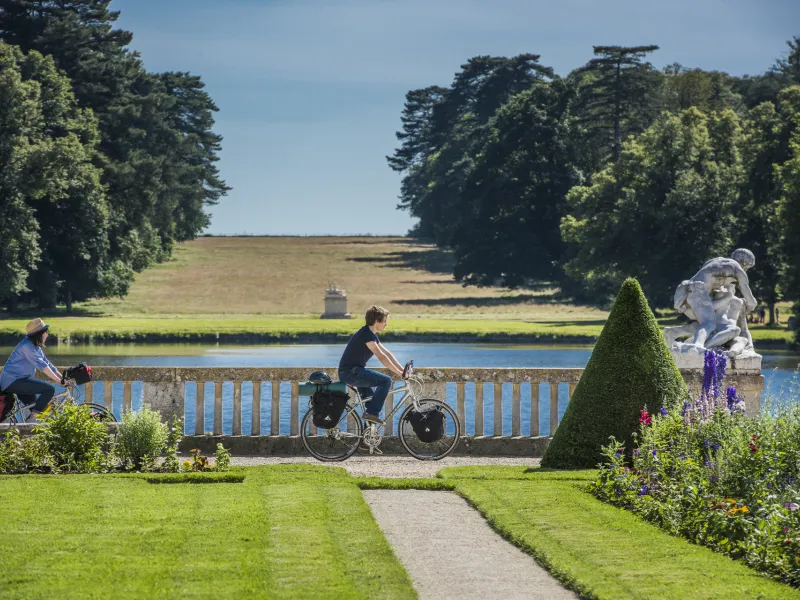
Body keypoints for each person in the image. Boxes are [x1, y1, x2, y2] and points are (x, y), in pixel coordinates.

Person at [338, 305, 405, 425]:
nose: (386, 324)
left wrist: (403, 370)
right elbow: (381, 357)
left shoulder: (371, 335)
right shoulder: (366, 334)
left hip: (354, 372)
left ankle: (366, 440)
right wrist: (399, 373)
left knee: (371, 404)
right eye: (384, 321)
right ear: (376, 321)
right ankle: (372, 414)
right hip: (351, 373)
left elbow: (387, 353)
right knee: (386, 381)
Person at [0, 318, 63, 423]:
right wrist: (58, 381)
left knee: (39, 409)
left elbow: (47, 363)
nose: (47, 334)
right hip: (12, 381)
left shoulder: (35, 346)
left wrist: (62, 378)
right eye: (46, 332)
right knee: (49, 389)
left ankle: (29, 429)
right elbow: (43, 366)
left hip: (20, 380)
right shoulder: (27, 346)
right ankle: (32, 419)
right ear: (39, 334)